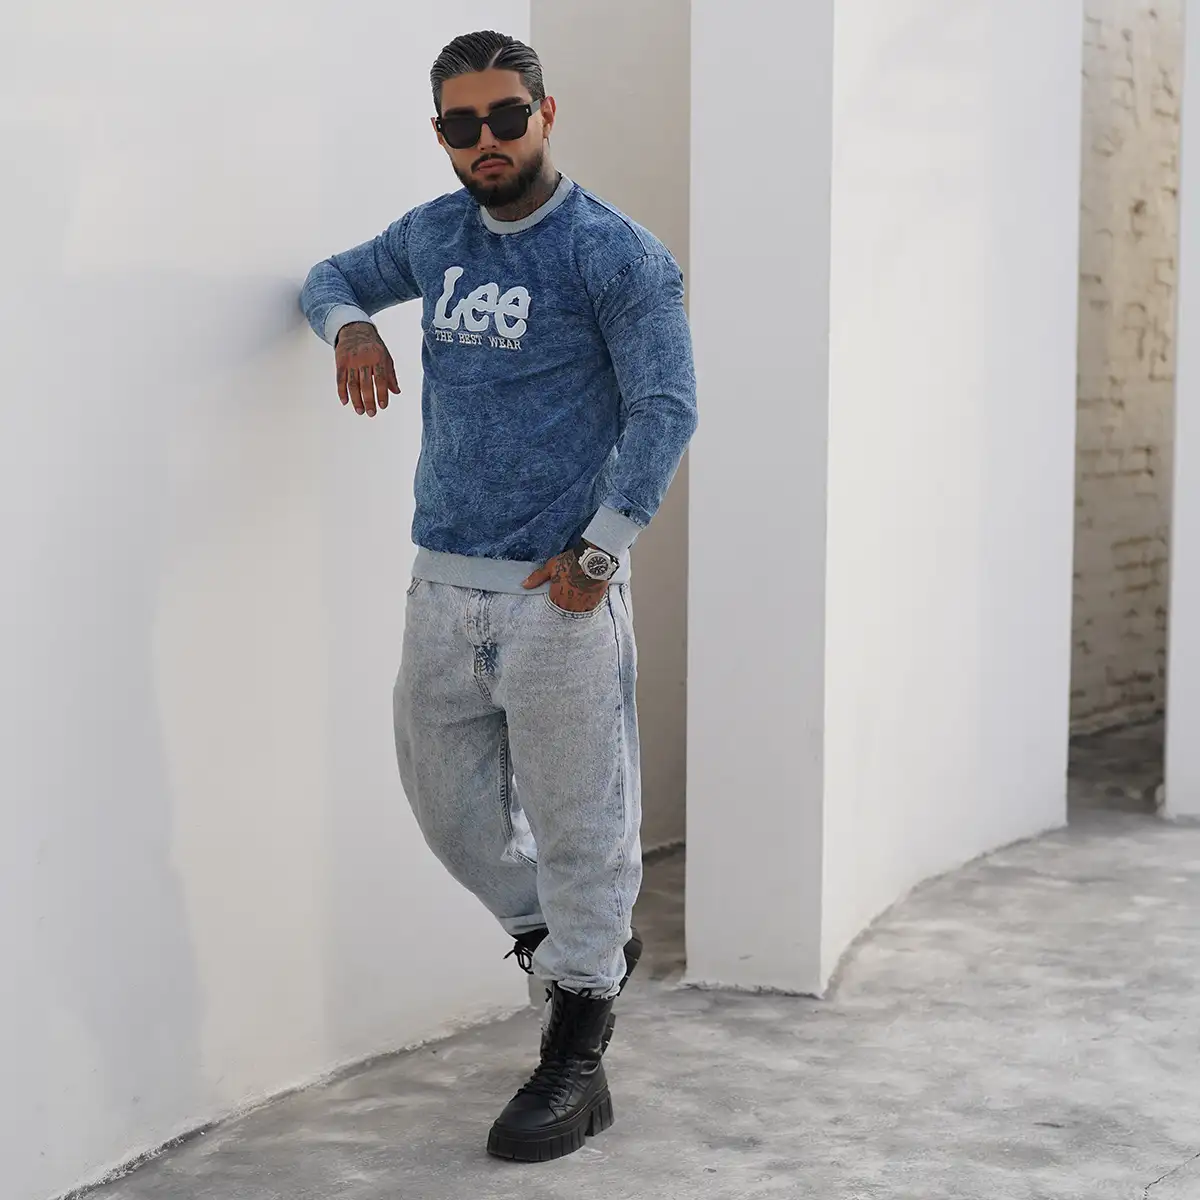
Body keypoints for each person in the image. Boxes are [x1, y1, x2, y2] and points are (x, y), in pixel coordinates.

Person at [300, 29, 697, 1163]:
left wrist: (599, 556)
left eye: (506, 117)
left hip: (557, 599)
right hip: (441, 587)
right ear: (441, 133)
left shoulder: (612, 252)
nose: (487, 141)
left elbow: (666, 406)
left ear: (545, 113)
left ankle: (575, 1050)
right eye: (462, 125)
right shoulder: (434, 235)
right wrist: (354, 327)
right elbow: (329, 278)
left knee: (584, 826)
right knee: (449, 814)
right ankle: (577, 950)